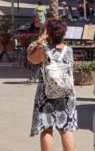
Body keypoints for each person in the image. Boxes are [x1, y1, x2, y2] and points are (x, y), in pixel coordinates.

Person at [26, 19, 76, 151]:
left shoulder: (44, 51)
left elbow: (30, 58)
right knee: (66, 128)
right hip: (66, 93)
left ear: (49, 33)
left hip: (46, 93)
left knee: (47, 130)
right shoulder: (69, 51)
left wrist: (40, 39)